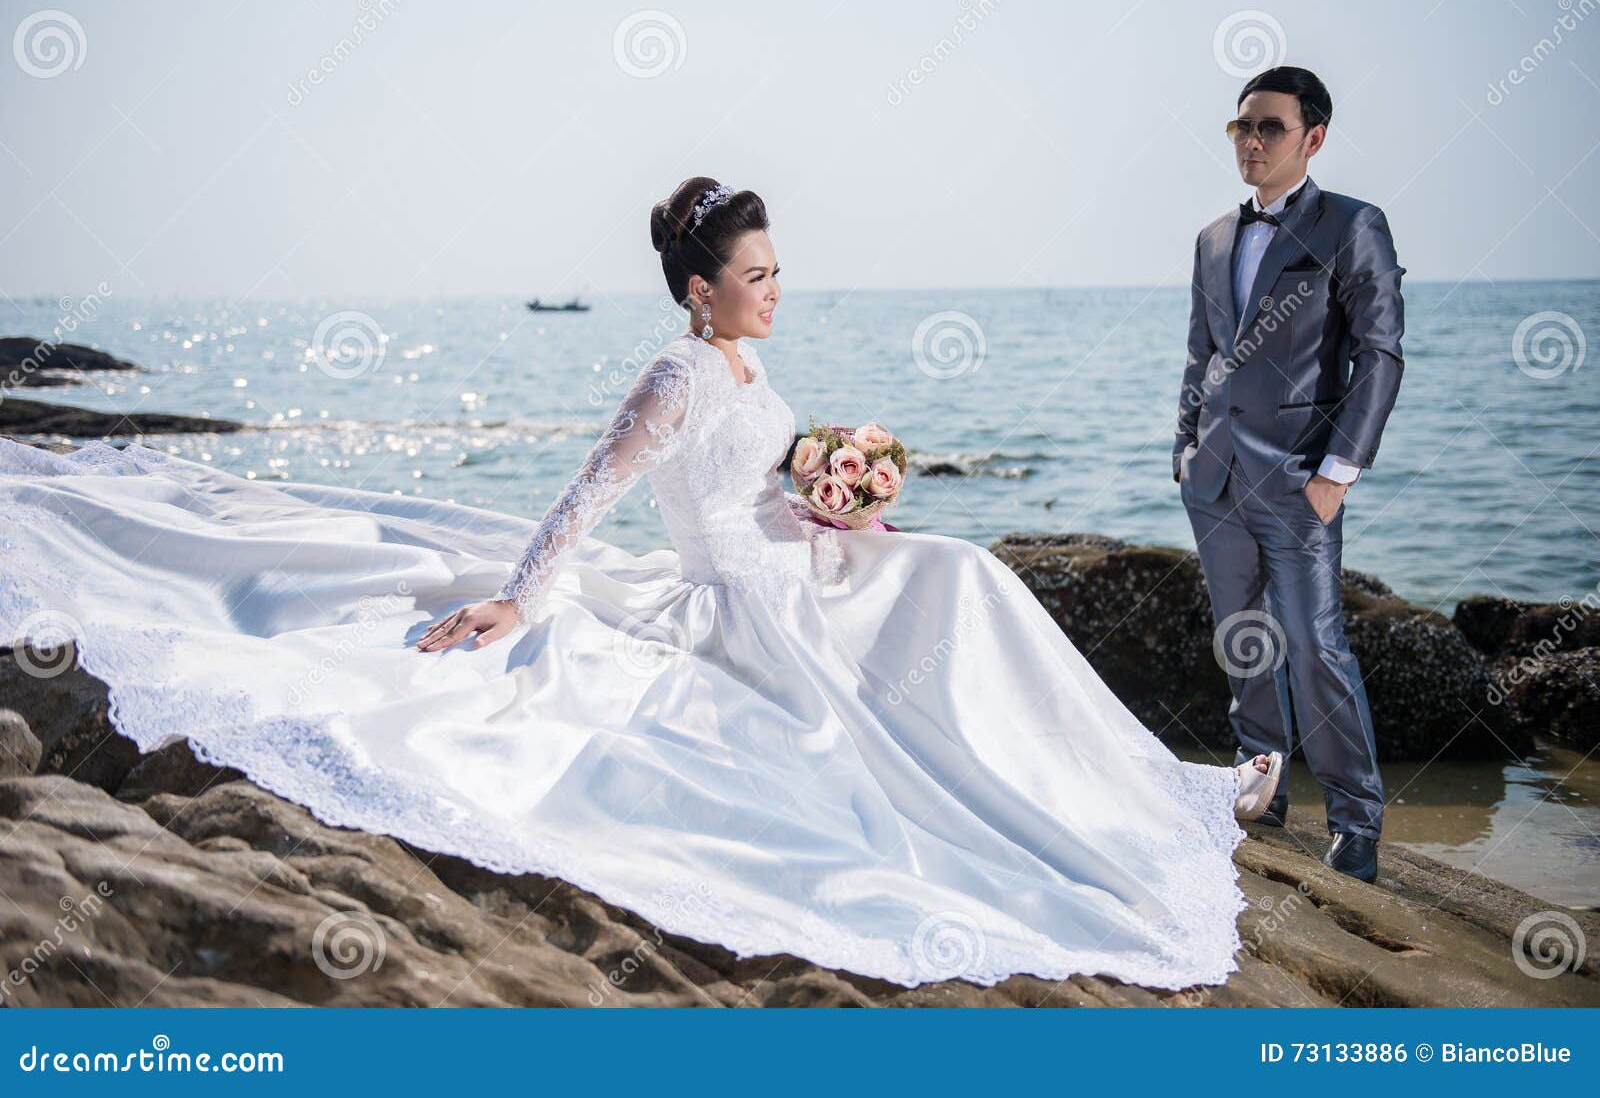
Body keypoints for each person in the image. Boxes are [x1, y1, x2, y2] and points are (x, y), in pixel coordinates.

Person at [0, 177, 1281, 992]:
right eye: (758, 274)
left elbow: (777, 468)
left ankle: (1096, 771)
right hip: (739, 606)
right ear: (699, 289)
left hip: (806, 561)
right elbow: (588, 494)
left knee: (957, 574)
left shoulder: (743, 371)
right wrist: (520, 599)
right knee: (897, 687)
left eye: (779, 269)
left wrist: (849, 487)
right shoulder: (674, 376)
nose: (777, 288)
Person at [1173, 67, 1405, 883]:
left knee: (1314, 645)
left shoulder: (1352, 226)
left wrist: (1339, 472)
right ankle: (1262, 784)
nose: (1251, 141)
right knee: (1244, 637)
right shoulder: (1210, 238)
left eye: (1269, 127)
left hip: (1303, 477)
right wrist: (1184, 452)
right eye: (1241, 126)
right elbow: (1203, 356)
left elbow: (1380, 354)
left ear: (1314, 137)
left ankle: (1356, 819)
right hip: (1216, 478)